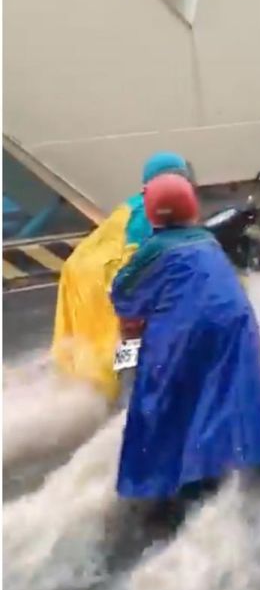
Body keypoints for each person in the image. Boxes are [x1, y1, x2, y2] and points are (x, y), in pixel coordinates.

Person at [111, 173, 260, 508]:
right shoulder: (207, 241)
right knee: (232, 393)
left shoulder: (152, 249)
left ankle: (165, 485)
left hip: (183, 331)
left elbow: (123, 294)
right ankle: (244, 469)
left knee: (166, 395)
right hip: (236, 325)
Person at [51, 152, 192, 402]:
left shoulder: (136, 203)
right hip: (103, 278)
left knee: (89, 345)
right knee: (118, 341)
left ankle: (87, 397)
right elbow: (136, 258)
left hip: (82, 273)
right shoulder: (149, 209)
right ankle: (118, 401)